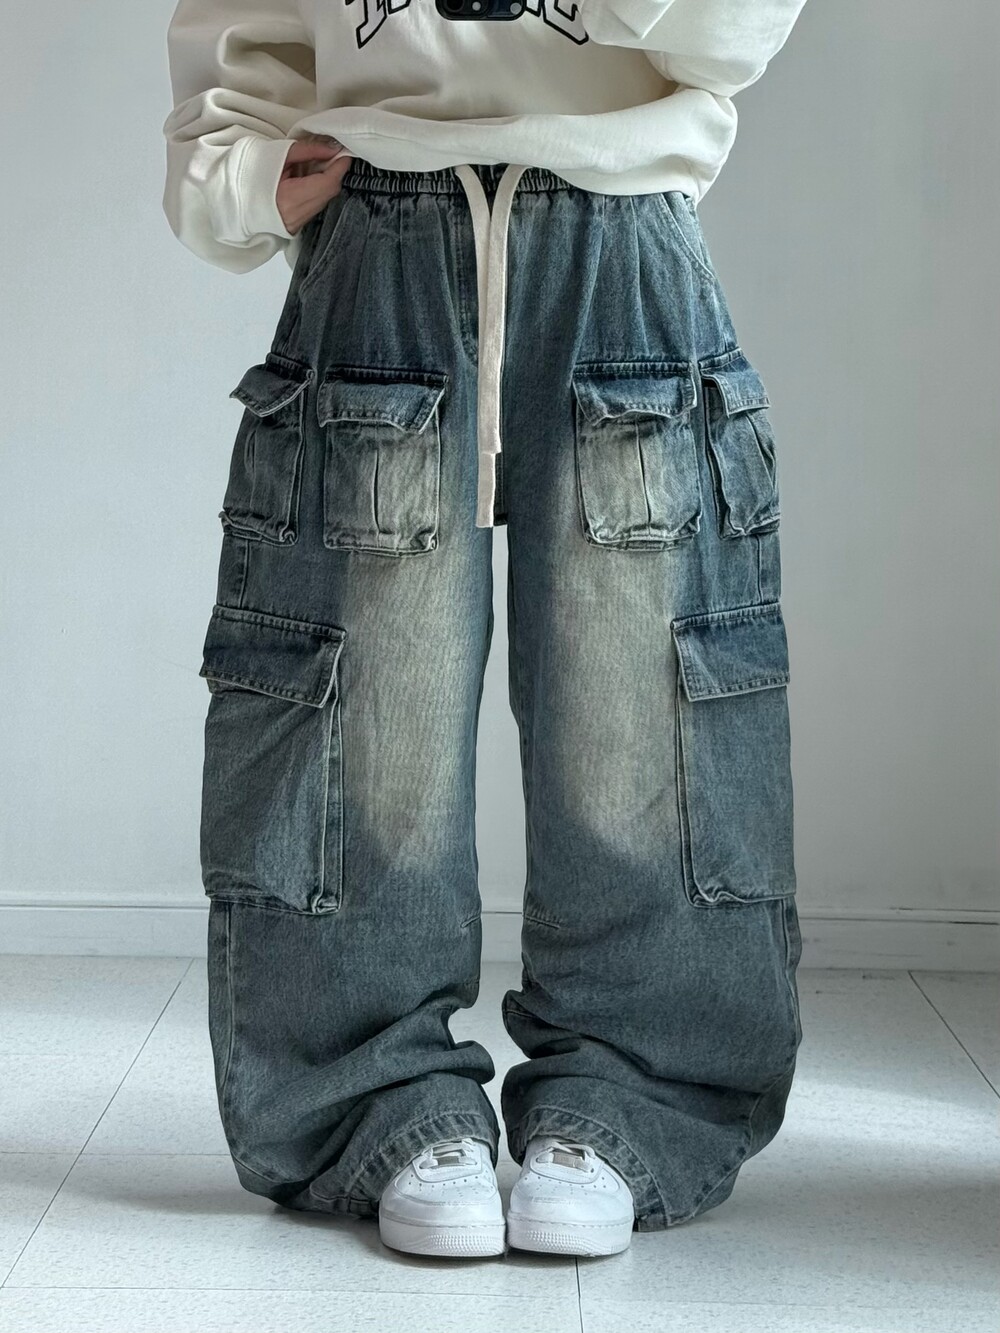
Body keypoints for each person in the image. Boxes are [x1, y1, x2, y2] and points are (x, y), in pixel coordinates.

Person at [161, 0, 809, 1260]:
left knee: (642, 723)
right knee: (362, 724)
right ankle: (377, 1100)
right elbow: (242, 38)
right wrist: (239, 167)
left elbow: (735, 31)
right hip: (378, 234)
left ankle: (628, 1097)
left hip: (622, 232)